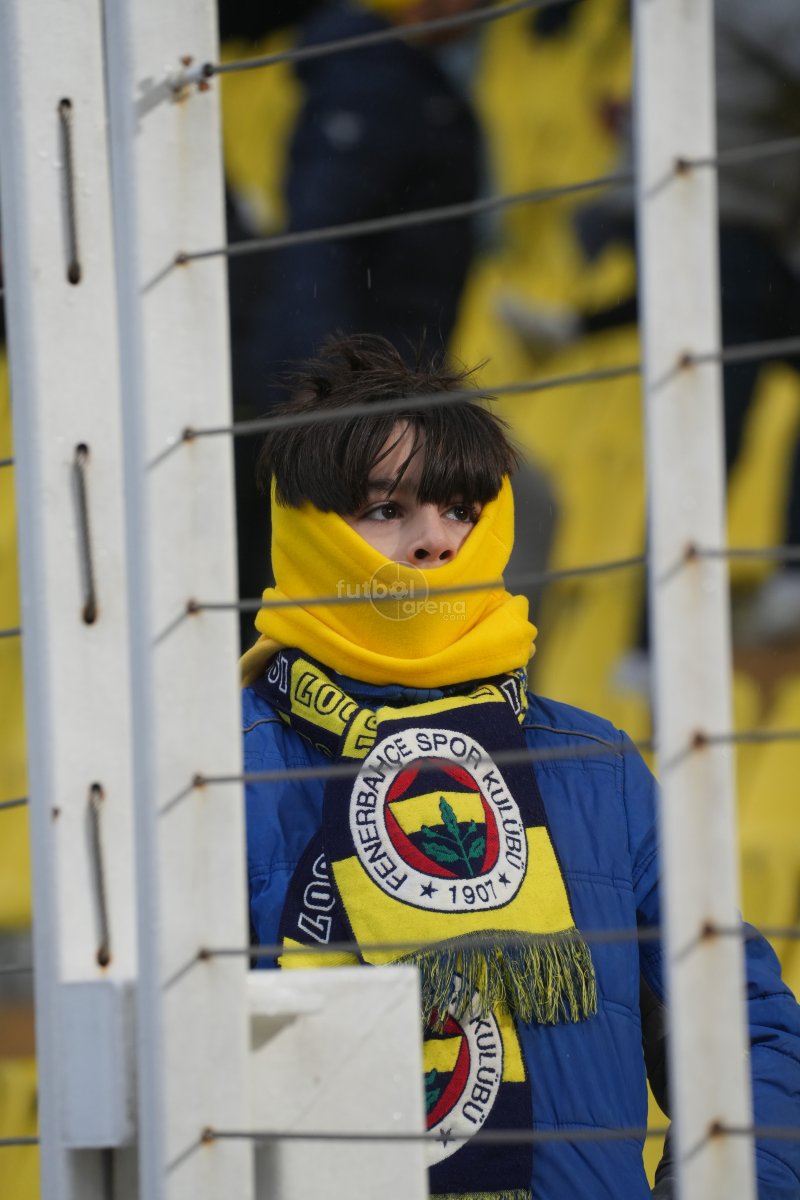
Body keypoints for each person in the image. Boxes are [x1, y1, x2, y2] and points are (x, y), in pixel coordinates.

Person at [241, 333, 800, 1199]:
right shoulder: (211, 773)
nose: (435, 541)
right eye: (386, 509)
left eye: (460, 508)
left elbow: (742, 1021)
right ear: (307, 533)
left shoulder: (598, 767)